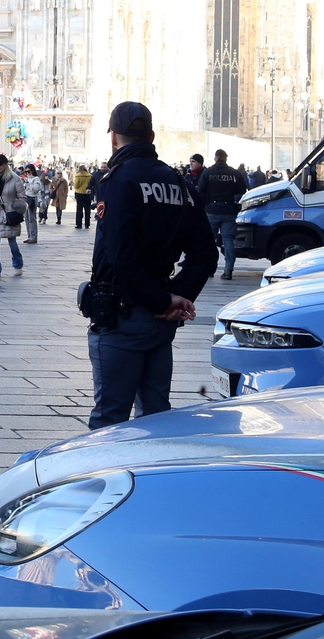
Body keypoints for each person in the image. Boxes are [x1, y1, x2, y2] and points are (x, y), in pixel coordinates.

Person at [86, 102, 217, 431]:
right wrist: (176, 295)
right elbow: (205, 253)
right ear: (152, 136)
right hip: (162, 322)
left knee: (108, 422)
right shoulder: (180, 183)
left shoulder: (117, 181)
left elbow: (119, 256)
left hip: (122, 315)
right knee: (156, 418)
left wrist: (161, 301)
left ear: (114, 138)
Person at [196, 148, 247, 281]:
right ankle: (228, 270)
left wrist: (205, 206)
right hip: (229, 210)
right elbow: (242, 191)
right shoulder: (234, 174)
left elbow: (200, 191)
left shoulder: (208, 172)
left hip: (212, 210)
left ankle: (209, 269)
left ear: (215, 158)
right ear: (226, 158)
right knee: (228, 240)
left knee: (209, 241)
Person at [0, 155, 25, 277]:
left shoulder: (15, 179)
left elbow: (22, 198)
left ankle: (18, 264)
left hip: (9, 215)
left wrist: (15, 208)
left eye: (0, 164)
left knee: (12, 241)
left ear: (6, 164)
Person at [21, 165, 42, 243]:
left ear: (32, 171)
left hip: (32, 198)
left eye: (28, 171)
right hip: (26, 198)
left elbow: (35, 190)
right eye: (26, 171)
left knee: (32, 218)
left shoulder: (36, 179)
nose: (27, 173)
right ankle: (29, 236)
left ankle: (33, 237)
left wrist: (27, 183)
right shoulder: (27, 179)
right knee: (26, 219)